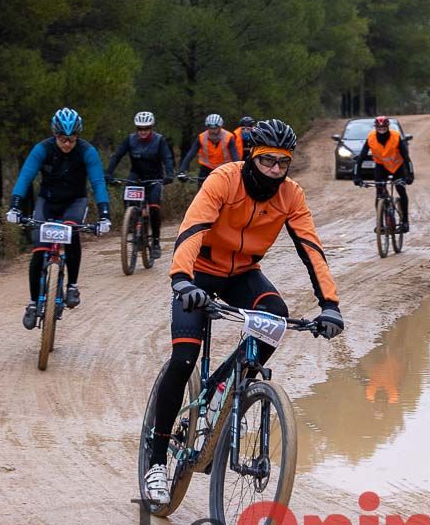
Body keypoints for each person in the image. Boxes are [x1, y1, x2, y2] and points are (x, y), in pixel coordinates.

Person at [142, 118, 344, 505]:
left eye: (282, 163)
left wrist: (330, 306)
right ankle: (155, 461)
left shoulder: (291, 195)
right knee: (184, 359)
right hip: (199, 274)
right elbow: (191, 229)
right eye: (267, 161)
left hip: (243, 275)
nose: (274, 170)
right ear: (252, 156)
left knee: (277, 316)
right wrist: (182, 280)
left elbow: (311, 249)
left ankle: (227, 385)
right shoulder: (223, 180)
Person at [6, 107, 111, 326]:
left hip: (75, 201)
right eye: (63, 140)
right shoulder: (42, 149)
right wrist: (15, 206)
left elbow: (98, 183)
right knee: (39, 250)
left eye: (72, 140)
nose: (67, 144)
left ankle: (72, 285)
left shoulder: (87, 151)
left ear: (77, 137)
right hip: (48, 202)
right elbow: (26, 177)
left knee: (72, 232)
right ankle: (34, 303)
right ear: (55, 136)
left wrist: (104, 215)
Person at [105, 111, 176, 258]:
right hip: (136, 176)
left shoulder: (159, 140)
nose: (143, 132)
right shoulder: (130, 140)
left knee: (154, 208)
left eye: (146, 128)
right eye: (140, 129)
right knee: (127, 194)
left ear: (151, 128)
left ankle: (156, 242)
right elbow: (117, 155)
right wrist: (109, 173)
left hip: (154, 178)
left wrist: (169, 174)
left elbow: (167, 158)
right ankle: (131, 223)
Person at [353, 115, 414, 232]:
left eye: (384, 127)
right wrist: (356, 176)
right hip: (381, 167)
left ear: (388, 126)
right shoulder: (371, 137)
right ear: (375, 127)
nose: (381, 129)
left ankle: (405, 222)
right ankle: (380, 224)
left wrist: (410, 175)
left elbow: (406, 158)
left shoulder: (396, 136)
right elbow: (361, 158)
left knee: (401, 190)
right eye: (379, 127)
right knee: (379, 193)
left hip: (397, 167)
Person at [177, 113, 237, 183]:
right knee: (202, 191)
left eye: (215, 128)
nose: (213, 131)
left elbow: (235, 156)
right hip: (206, 169)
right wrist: (182, 171)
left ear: (220, 127)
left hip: (224, 169)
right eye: (210, 128)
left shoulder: (229, 137)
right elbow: (190, 154)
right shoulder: (201, 137)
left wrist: (238, 170)